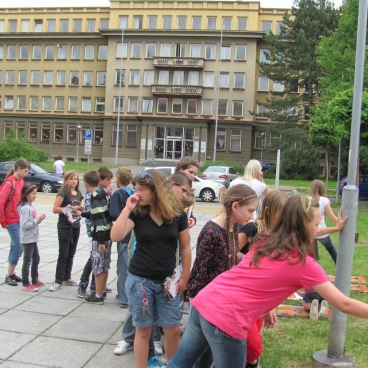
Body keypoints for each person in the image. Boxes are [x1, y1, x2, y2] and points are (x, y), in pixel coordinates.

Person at [167, 195, 354, 368]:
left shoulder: (266, 241)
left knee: (180, 363)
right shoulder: (303, 263)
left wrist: (263, 309)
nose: (318, 229)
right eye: (316, 223)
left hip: (205, 301)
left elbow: (254, 281)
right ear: (304, 226)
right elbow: (344, 303)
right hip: (226, 318)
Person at [111, 169, 191, 368]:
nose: (137, 193)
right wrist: (126, 209)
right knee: (144, 331)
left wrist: (185, 278)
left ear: (156, 190)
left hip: (168, 282)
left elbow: (186, 247)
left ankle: (173, 365)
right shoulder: (138, 212)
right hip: (140, 281)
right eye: (136, 189)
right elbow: (116, 236)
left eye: (142, 190)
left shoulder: (177, 214)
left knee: (172, 329)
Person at [187, 184, 259, 368]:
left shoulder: (233, 227)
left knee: (207, 356)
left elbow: (232, 261)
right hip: (206, 306)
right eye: (250, 210)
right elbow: (199, 271)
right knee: (196, 358)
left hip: (219, 305)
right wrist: (195, 304)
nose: (252, 216)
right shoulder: (212, 232)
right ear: (235, 206)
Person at [238, 190, 287, 367]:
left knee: (250, 343)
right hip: (244, 292)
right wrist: (248, 260)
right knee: (252, 346)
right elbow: (230, 251)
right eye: (280, 213)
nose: (282, 218)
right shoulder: (252, 228)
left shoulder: (279, 235)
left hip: (262, 294)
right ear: (268, 210)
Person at [77, 167, 113, 298]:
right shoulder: (103, 194)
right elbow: (100, 213)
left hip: (100, 237)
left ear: (86, 183)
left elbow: (100, 220)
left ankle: (97, 295)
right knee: (105, 265)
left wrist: (101, 240)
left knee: (98, 266)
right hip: (109, 233)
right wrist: (83, 213)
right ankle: (101, 290)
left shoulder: (94, 196)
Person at [49, 170, 83, 292]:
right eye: (72, 178)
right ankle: (58, 280)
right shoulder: (63, 193)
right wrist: (69, 208)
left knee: (71, 253)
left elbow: (81, 203)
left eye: (76, 178)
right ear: (66, 180)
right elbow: (55, 208)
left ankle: (67, 276)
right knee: (63, 254)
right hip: (64, 226)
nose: (74, 181)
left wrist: (81, 208)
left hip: (75, 226)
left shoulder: (78, 192)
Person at [0, 158, 30, 286]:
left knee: (15, 246)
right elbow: (1, 202)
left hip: (19, 219)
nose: (26, 173)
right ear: (18, 169)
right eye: (25, 171)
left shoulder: (21, 182)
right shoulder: (9, 183)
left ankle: (11, 273)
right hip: (11, 220)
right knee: (18, 246)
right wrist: (2, 220)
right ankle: (9, 275)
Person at [109, 167, 134, 307]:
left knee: (122, 267)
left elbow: (113, 213)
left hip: (123, 234)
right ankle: (127, 293)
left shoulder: (118, 195)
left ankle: (123, 297)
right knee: (130, 266)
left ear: (117, 180)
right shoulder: (132, 192)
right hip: (132, 234)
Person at [17, 184, 46, 292]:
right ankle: (25, 283)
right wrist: (37, 220)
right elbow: (24, 225)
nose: (35, 195)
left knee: (36, 258)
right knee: (27, 261)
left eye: (36, 193)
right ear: (26, 195)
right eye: (33, 193)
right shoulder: (25, 209)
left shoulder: (31, 206)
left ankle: (35, 279)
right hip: (27, 238)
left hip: (33, 238)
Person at [309, 179, 338, 264]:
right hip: (322, 230)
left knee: (312, 254)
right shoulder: (324, 200)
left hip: (311, 230)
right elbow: (332, 215)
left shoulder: (307, 199)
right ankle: (340, 267)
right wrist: (338, 223)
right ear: (322, 189)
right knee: (331, 249)